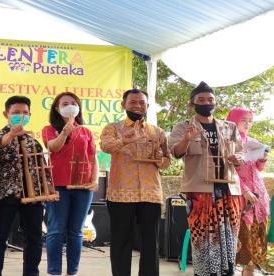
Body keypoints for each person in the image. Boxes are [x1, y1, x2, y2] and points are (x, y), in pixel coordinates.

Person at [169, 81, 244, 276]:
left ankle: (228, 272)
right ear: (192, 104)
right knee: (203, 240)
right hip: (199, 192)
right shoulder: (182, 127)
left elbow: (241, 155)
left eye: (210, 99)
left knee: (229, 240)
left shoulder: (230, 127)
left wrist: (238, 159)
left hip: (229, 191)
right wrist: (186, 138)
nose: (206, 102)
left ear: (215, 103)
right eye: (201, 100)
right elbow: (175, 153)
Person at [100, 88, 170, 276]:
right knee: (121, 241)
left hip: (150, 194)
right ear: (123, 105)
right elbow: (105, 147)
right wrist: (124, 140)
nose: (138, 105)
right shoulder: (113, 128)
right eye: (133, 102)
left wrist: (160, 159)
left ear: (147, 106)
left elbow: (166, 163)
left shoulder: (158, 132)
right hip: (121, 193)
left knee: (150, 243)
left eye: (142, 102)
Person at [0, 96, 56, 276]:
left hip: (33, 198)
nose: (21, 116)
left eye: (25, 113)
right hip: (4, 196)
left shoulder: (33, 142)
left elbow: (42, 168)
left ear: (30, 114)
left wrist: (48, 189)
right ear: (6, 114)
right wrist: (11, 134)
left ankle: (31, 273)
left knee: (34, 239)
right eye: (16, 113)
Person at [41, 92, 98, 276]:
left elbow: (93, 158)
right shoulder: (48, 129)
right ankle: (54, 272)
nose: (70, 105)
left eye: (73, 103)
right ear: (57, 108)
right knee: (56, 230)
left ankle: (72, 272)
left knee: (76, 232)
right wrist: (66, 130)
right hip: (58, 185)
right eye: (65, 103)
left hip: (83, 187)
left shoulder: (86, 131)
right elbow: (53, 148)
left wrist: (95, 180)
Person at [227, 108, 270, 276]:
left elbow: (258, 168)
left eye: (250, 120)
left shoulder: (253, 142)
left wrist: (263, 158)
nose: (248, 124)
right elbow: (231, 171)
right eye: (243, 120)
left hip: (259, 198)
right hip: (241, 199)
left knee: (254, 245)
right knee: (242, 245)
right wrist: (245, 192)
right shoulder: (229, 143)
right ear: (234, 121)